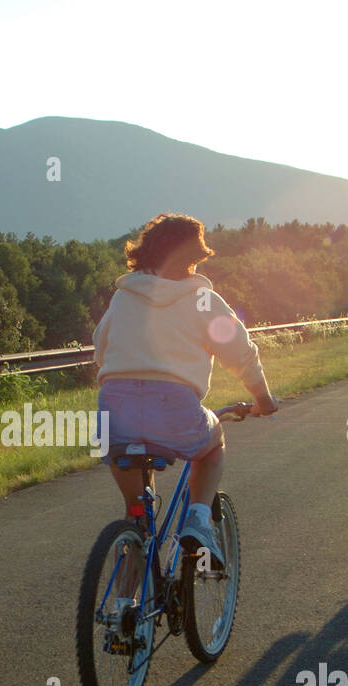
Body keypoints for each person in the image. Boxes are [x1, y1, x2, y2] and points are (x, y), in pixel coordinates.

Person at [93, 213, 277, 567]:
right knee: (212, 446)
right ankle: (197, 519)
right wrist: (263, 398)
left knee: (137, 518)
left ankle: (126, 607)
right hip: (173, 408)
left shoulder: (124, 295)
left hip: (114, 410)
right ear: (194, 256)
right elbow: (240, 351)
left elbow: (101, 350)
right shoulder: (203, 299)